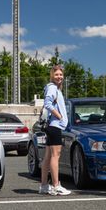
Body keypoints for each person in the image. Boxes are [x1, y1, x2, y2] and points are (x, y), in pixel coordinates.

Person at [39, 65, 71, 196]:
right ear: (52, 75)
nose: (59, 77)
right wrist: (59, 116)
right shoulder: (52, 88)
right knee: (55, 156)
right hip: (55, 126)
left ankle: (44, 186)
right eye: (57, 74)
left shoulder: (55, 88)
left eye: (61, 75)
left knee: (47, 157)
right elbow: (47, 104)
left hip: (53, 126)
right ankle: (56, 185)